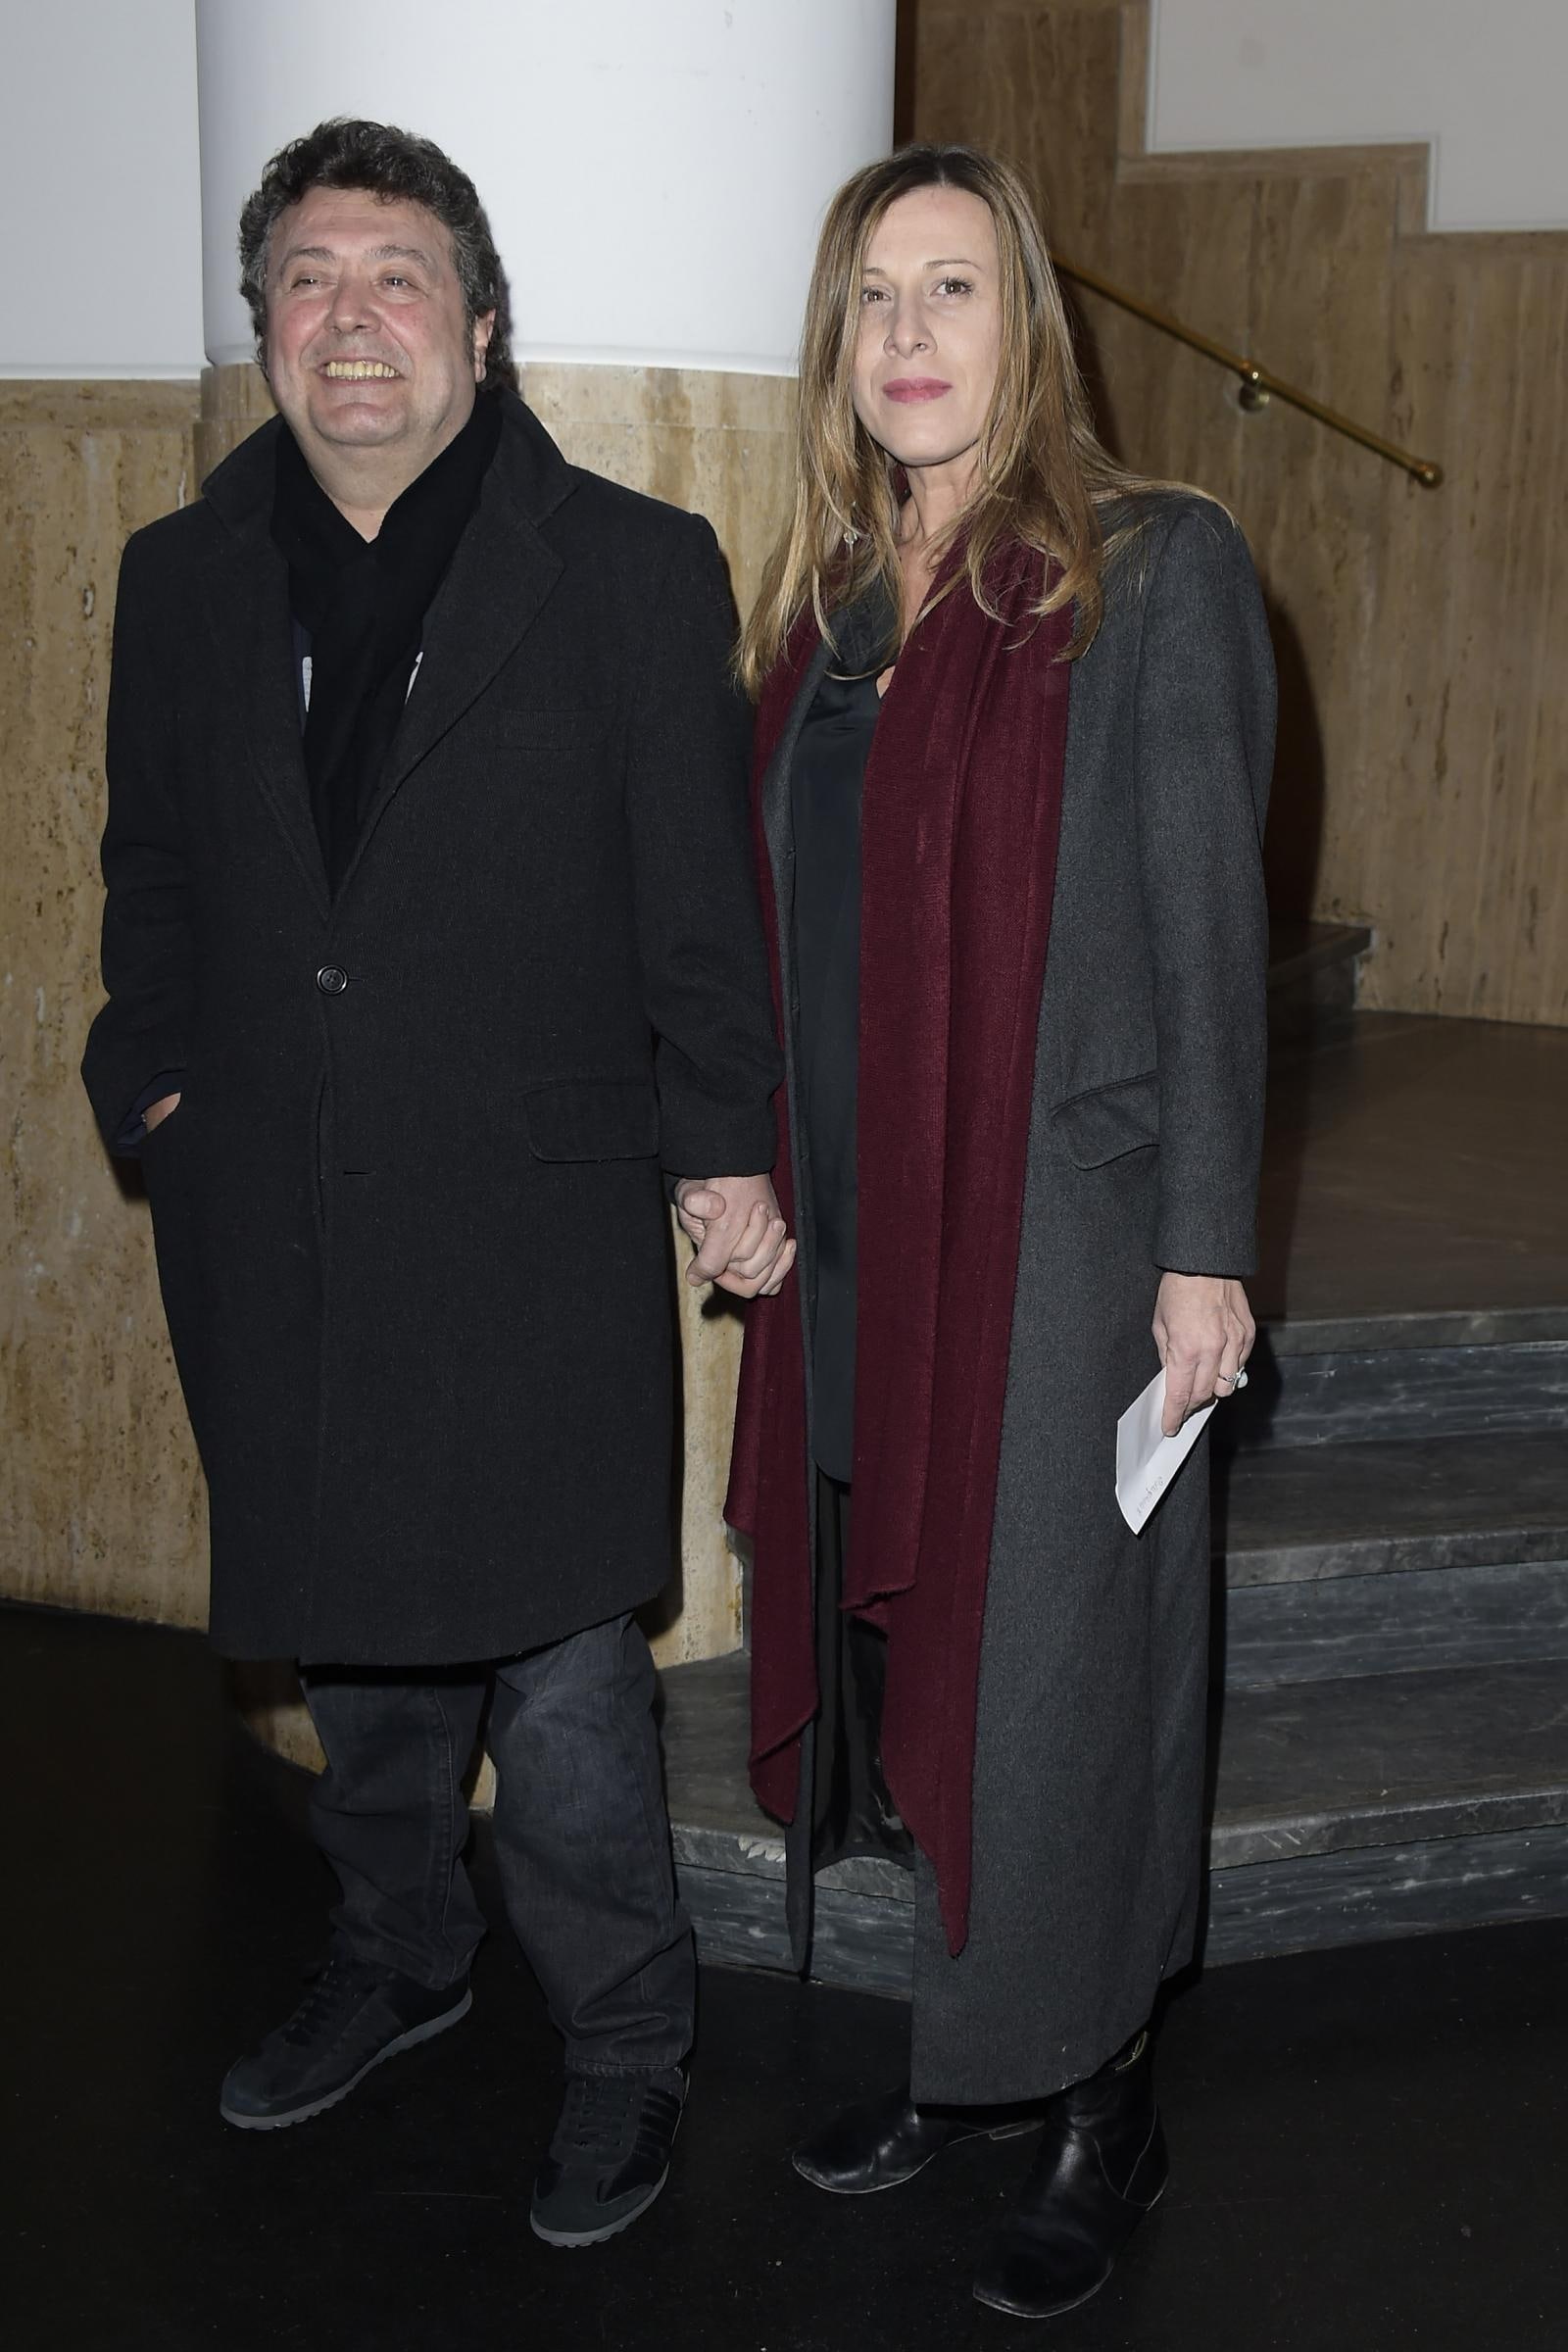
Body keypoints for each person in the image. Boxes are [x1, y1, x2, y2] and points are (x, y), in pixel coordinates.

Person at [81, 117, 792, 2250]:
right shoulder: (180, 576)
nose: (351, 317)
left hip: (525, 1215)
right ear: (266, 335)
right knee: (353, 1651)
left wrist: (726, 1140)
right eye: (308, 278)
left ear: (481, 325)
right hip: (277, 1212)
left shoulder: (631, 566)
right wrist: (151, 1078)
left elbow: (698, 899)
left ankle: (626, 2041)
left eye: (396, 274)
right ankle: (399, 1956)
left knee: (563, 1688)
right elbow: (153, 871)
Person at [715, 143, 1274, 2319]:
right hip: (864, 1239)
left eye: (951, 287)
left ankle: (1096, 2102)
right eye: (873, 297)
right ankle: (969, 2060)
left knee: (1055, 1687)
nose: (909, 334)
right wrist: (741, 1162)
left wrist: (1203, 1243)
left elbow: (1207, 937)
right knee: (909, 1664)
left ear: (1024, 321)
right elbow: (777, 928)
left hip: (1061, 1241)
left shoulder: (1150, 568)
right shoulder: (827, 614)